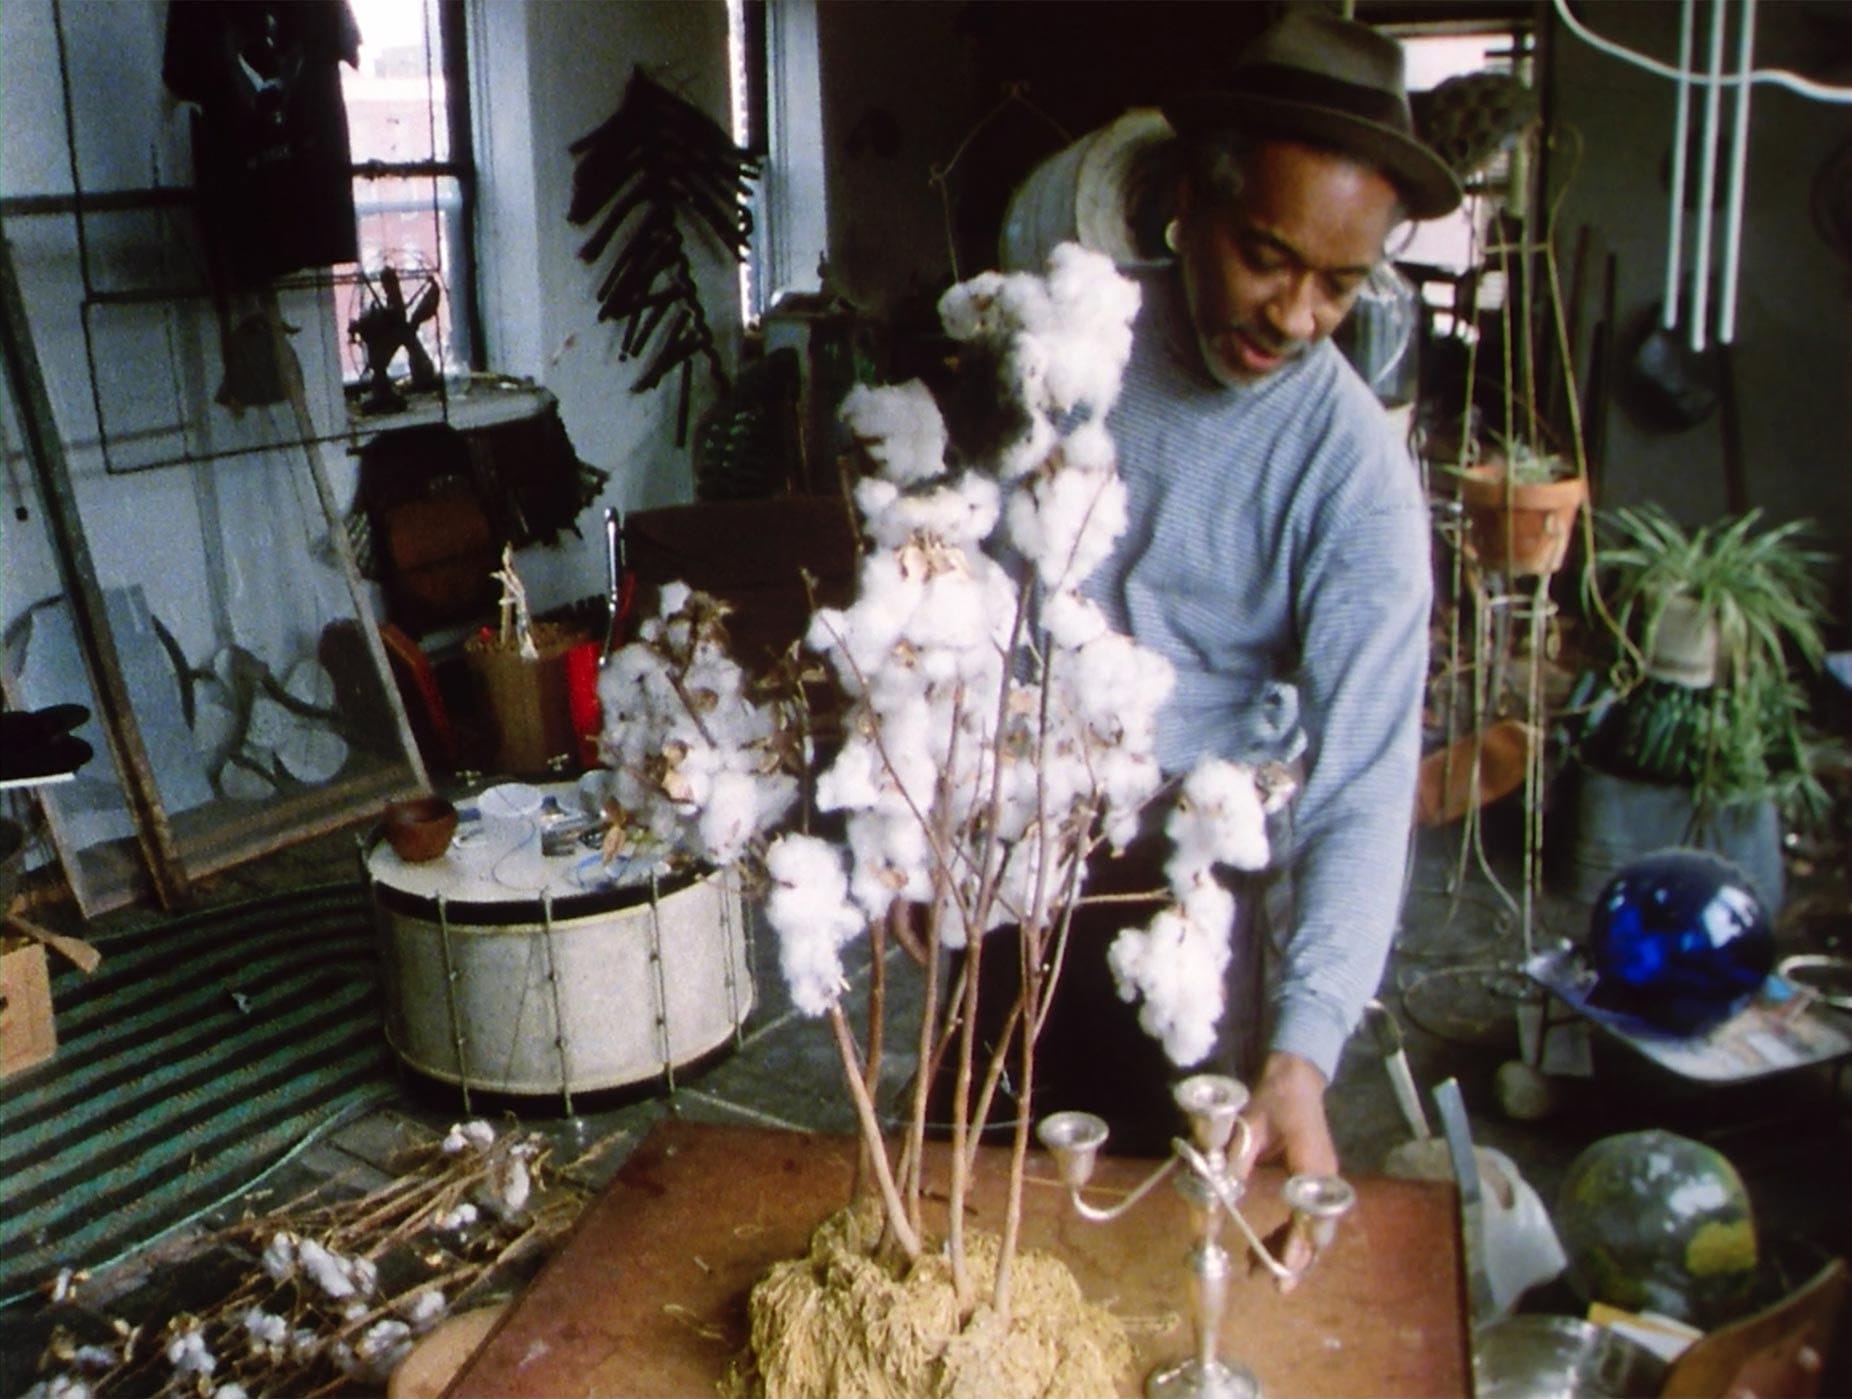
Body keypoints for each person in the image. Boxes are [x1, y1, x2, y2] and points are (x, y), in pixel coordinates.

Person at [983, 11, 1463, 1271]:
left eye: (1340, 284)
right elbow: (977, 600)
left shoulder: (1353, 476)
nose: (1296, 312)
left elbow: (1360, 787)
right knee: (967, 1207)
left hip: (1192, 892)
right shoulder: (1076, 346)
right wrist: (943, 803)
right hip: (1018, 845)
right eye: (1268, 255)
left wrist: (1302, 1050)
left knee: (1153, 1250)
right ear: (1189, 201)